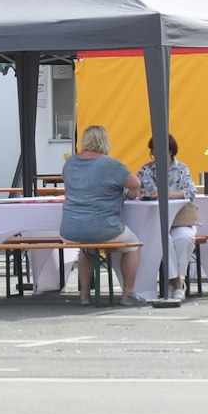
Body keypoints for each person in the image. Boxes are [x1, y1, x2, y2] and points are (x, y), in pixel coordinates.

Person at [60, 125, 144, 306]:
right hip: (103, 227)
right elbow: (135, 183)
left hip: (70, 229)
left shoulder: (70, 163)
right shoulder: (111, 164)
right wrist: (131, 194)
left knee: (87, 248)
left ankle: (84, 295)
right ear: (104, 141)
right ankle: (128, 293)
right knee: (133, 245)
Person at [135, 134, 199, 298]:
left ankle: (175, 281)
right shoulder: (146, 170)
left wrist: (167, 194)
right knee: (164, 239)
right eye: (154, 150)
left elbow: (191, 192)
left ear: (171, 151)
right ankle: (178, 283)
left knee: (184, 238)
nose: (156, 154)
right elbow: (147, 191)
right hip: (156, 221)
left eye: (161, 150)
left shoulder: (182, 169)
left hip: (180, 220)